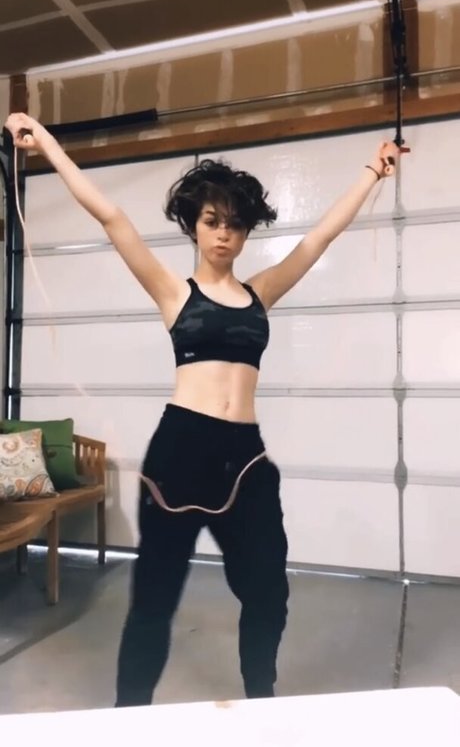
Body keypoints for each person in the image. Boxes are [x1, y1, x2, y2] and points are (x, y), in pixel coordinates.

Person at [5, 112, 399, 704]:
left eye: (235, 225)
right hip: (180, 453)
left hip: (245, 457)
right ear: (193, 225)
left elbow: (318, 239)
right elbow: (110, 217)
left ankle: (260, 699)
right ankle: (129, 718)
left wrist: (374, 169)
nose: (224, 234)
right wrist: (47, 144)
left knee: (268, 593)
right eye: (213, 221)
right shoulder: (174, 293)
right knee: (154, 603)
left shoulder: (261, 293)